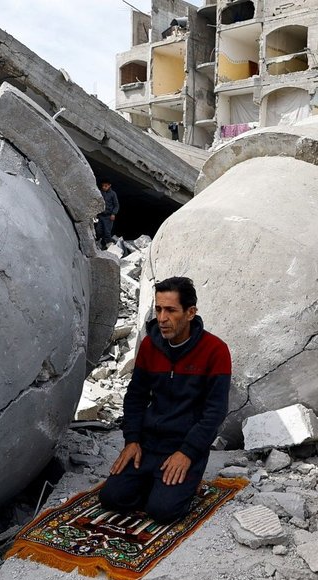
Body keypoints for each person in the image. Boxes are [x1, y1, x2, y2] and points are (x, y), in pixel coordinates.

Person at [99, 277, 231, 524]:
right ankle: (155, 482)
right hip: (149, 444)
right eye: (158, 309)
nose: (161, 318)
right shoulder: (150, 345)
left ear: (190, 313)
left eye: (170, 310)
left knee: (162, 512)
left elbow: (215, 411)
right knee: (111, 498)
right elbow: (136, 396)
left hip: (184, 446)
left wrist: (188, 452)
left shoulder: (215, 350)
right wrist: (132, 440)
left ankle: (176, 486)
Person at [95, 179, 119, 250]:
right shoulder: (100, 192)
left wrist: (113, 214)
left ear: (109, 185)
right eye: (103, 186)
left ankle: (109, 247)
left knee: (107, 233)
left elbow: (116, 205)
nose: (104, 187)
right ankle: (98, 244)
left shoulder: (113, 194)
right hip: (100, 215)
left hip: (108, 217)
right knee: (98, 230)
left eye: (106, 186)